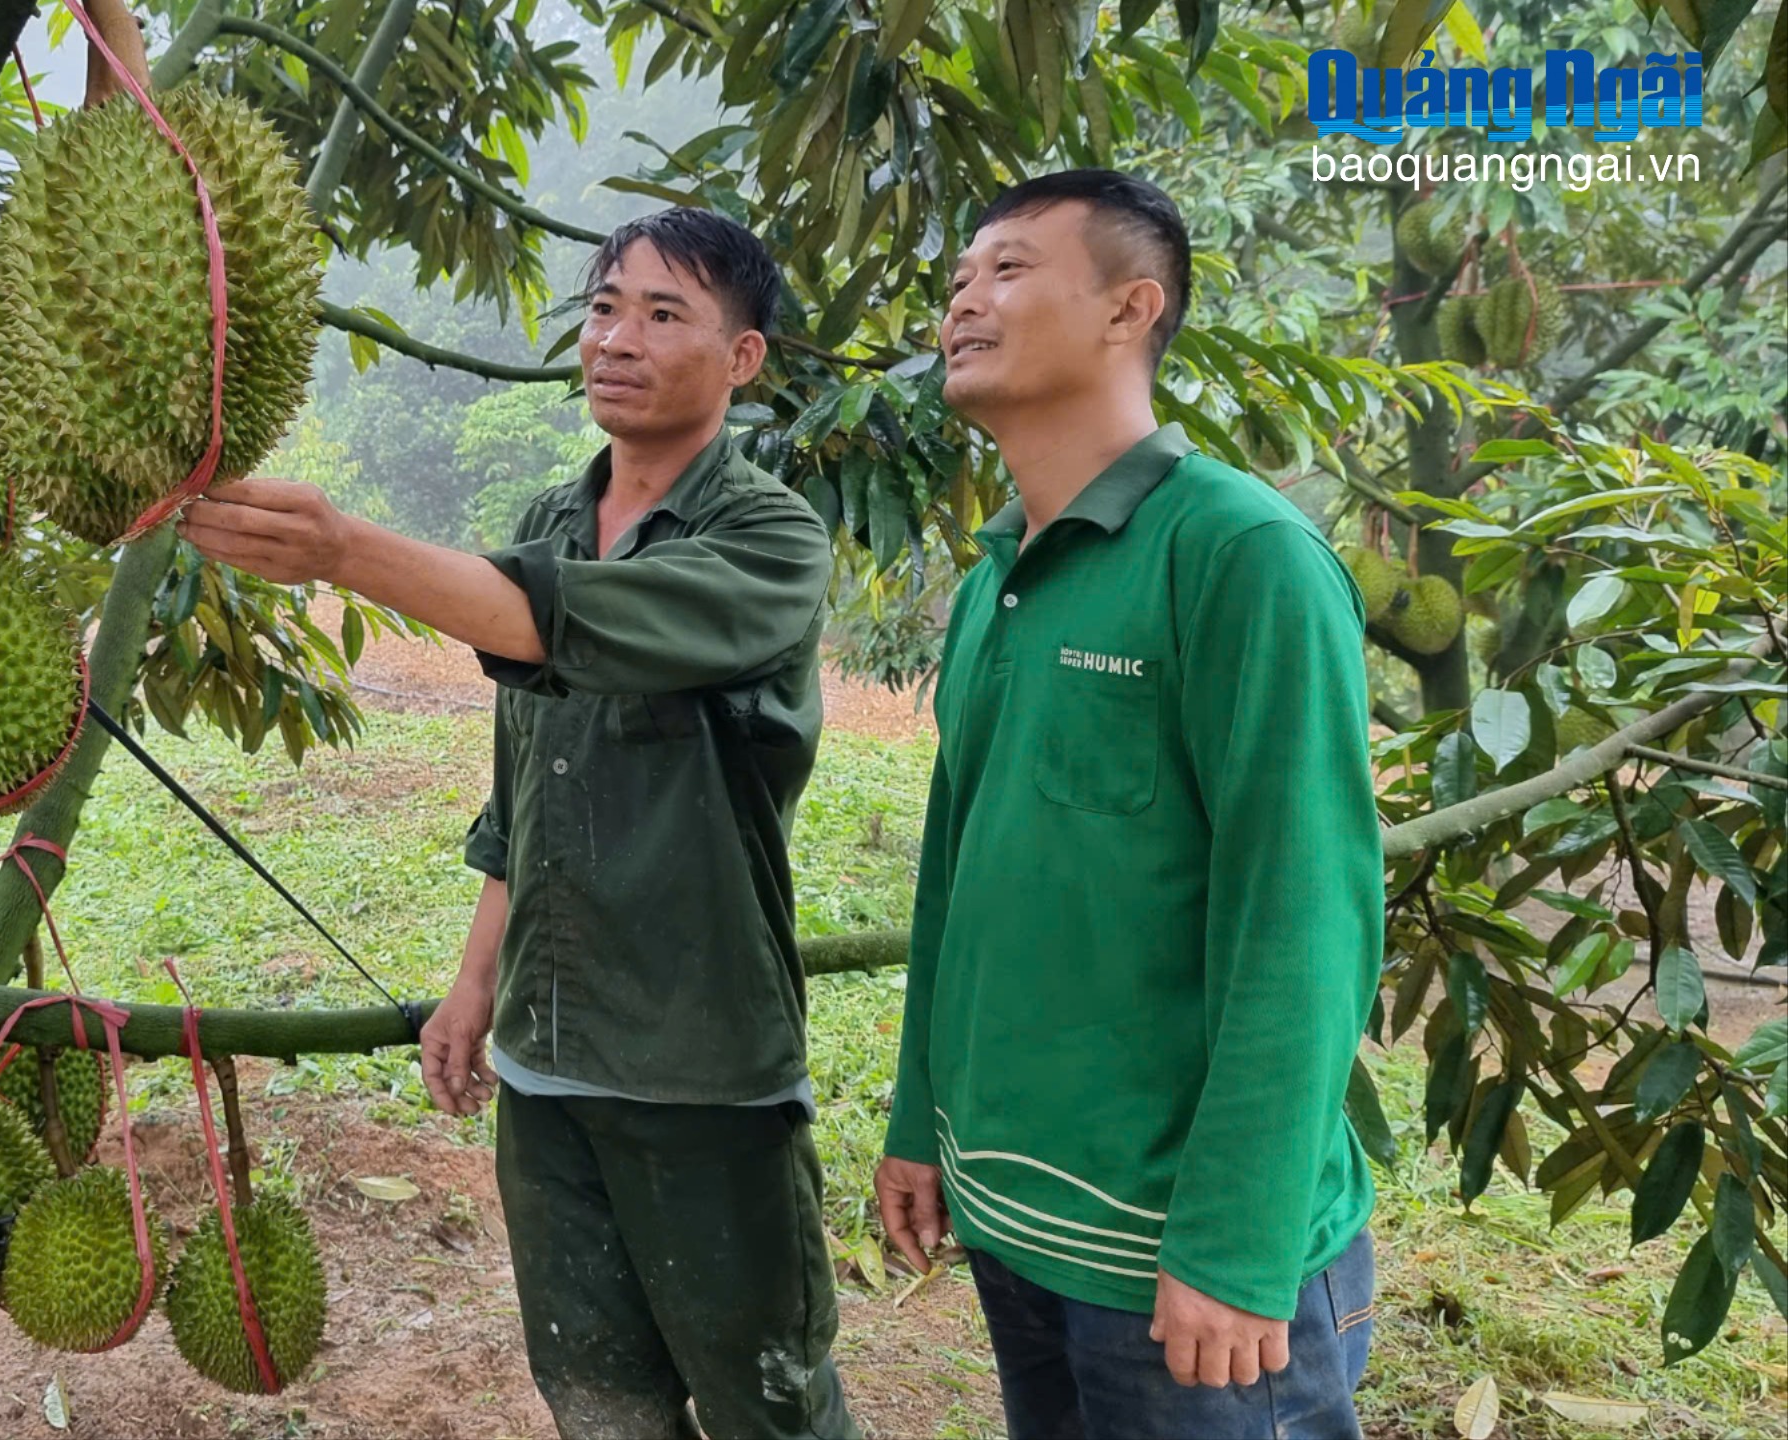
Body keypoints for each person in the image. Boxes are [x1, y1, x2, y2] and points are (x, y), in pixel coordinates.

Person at [178, 207, 853, 1439]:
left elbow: (554, 623)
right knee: (597, 1392)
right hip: (544, 1066)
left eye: (664, 315)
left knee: (769, 1404)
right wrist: (470, 984)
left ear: (743, 360)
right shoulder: (550, 518)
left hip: (698, 1064)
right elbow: (524, 792)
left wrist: (338, 546)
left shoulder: (767, 538)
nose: (618, 338)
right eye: (604, 308)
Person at [873, 169, 1383, 1440]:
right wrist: (917, 1120)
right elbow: (959, 871)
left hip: (1183, 1265)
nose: (962, 303)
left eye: (1006, 270)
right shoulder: (1002, 572)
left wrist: (1236, 1241)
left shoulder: (1238, 555)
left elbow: (1304, 917)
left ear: (1128, 307)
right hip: (1019, 1221)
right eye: (956, 281)